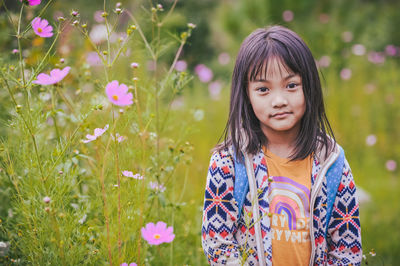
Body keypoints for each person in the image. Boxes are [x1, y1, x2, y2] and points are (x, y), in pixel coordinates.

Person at [201, 25, 362, 265]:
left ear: (309, 86)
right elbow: (217, 244)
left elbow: (347, 251)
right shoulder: (228, 163)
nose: (279, 101)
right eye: (263, 89)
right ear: (246, 95)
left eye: (291, 85)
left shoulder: (332, 163)